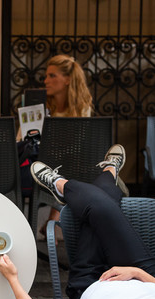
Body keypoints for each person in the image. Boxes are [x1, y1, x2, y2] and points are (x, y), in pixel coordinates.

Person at [0, 144, 155, 299]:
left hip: (91, 281)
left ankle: (77, 182)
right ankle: (84, 182)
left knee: (98, 209)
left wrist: (12, 279)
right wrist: (138, 274)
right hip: (142, 273)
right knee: (102, 205)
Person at [40, 55, 93, 237]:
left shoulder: (82, 108)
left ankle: (53, 221)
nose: (46, 81)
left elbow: (79, 145)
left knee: (71, 163)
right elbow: (21, 139)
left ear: (68, 80)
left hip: (69, 164)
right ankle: (53, 222)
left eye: (52, 76)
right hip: (41, 162)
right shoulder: (42, 105)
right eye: (46, 76)